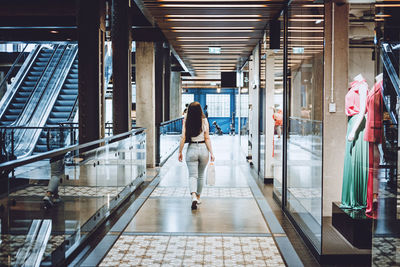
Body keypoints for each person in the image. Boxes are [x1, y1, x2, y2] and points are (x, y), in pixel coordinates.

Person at [178, 102, 215, 210]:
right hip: (204, 149)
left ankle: (193, 196)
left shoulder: (186, 119)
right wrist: (211, 152)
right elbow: (207, 137)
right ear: (200, 110)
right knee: (201, 175)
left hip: (192, 149)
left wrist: (180, 151)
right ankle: (198, 196)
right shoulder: (204, 120)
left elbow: (183, 137)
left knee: (192, 175)